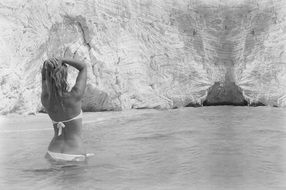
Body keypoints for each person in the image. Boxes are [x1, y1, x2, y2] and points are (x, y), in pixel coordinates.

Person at [41, 57, 93, 162]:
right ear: (64, 77)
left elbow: (44, 80)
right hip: (74, 153)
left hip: (53, 152)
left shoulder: (46, 99)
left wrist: (46, 66)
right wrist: (62, 59)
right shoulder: (75, 96)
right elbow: (83, 67)